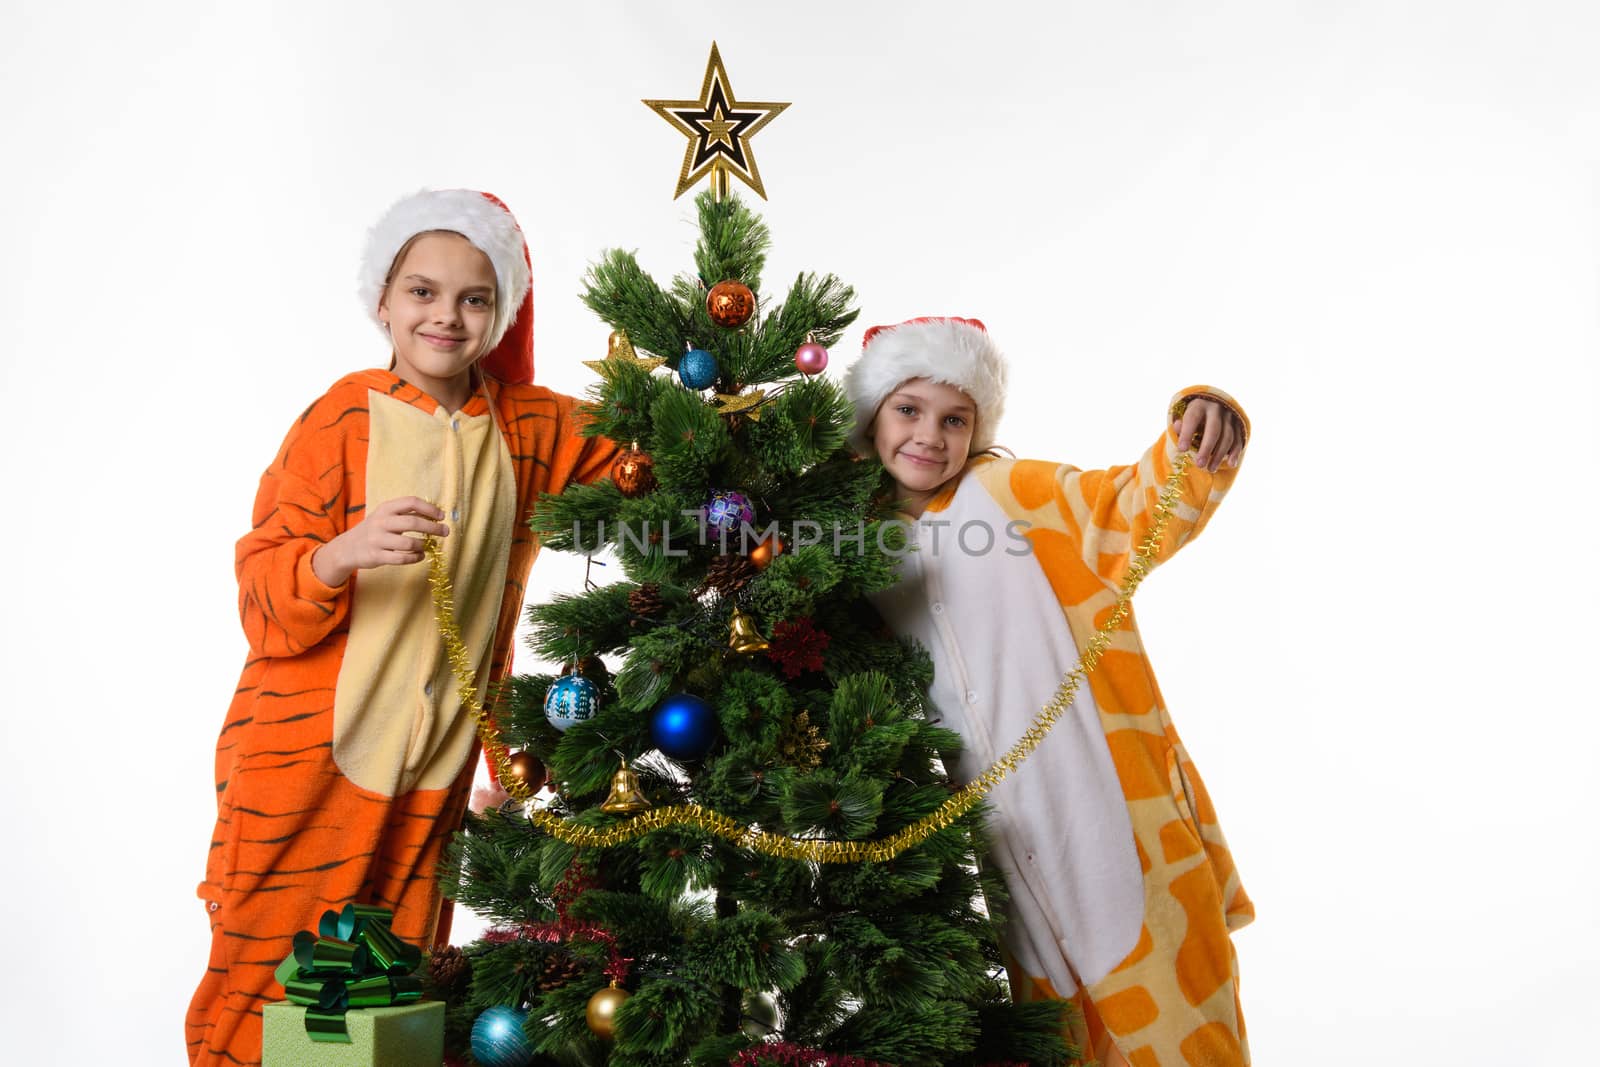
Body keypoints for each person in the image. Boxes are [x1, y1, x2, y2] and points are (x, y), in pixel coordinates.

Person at [187, 189, 620, 1067]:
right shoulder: (341, 417)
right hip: (310, 754)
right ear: (382, 299)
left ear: (501, 311)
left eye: (474, 297)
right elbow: (261, 594)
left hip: (435, 769)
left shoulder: (529, 427)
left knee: (393, 996)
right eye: (422, 292)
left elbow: (645, 456)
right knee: (267, 983)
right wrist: (339, 554)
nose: (447, 317)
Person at [845, 316, 1253, 1067]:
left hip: (1115, 823)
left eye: (954, 418)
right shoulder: (861, 555)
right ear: (871, 415)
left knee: (1183, 1035)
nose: (929, 435)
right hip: (1006, 853)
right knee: (1066, 1044)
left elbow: (1128, 508)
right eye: (908, 410)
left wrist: (1197, 427)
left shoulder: (1011, 493)